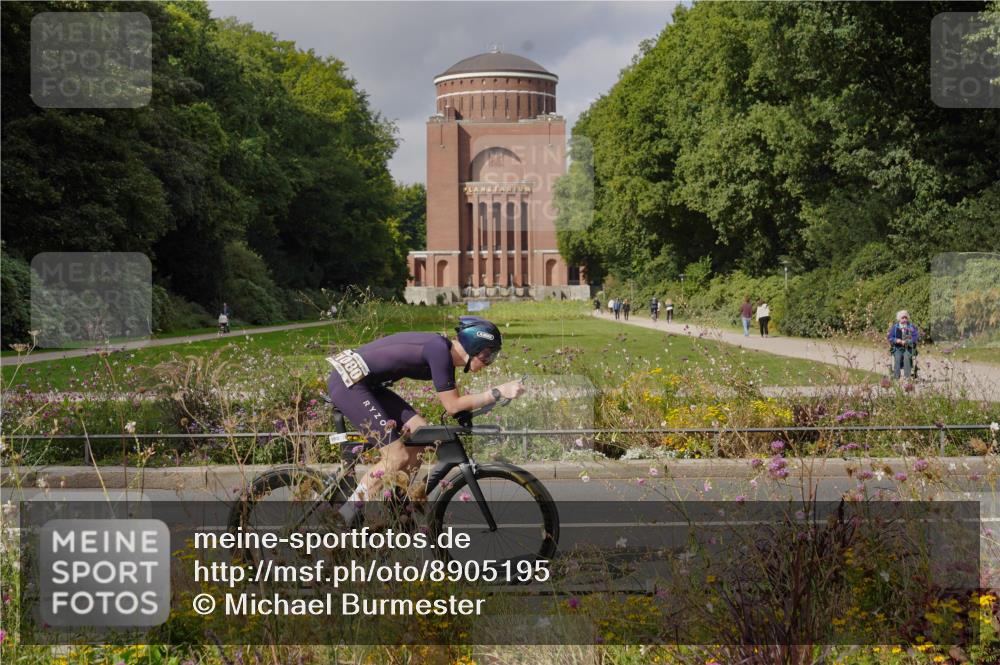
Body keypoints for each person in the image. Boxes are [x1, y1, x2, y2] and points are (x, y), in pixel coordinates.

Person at [327, 316, 525, 524]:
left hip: (368, 384)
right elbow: (453, 405)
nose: (489, 362)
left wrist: (491, 400)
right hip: (349, 383)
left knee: (421, 435)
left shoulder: (442, 353)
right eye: (488, 355)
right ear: (474, 346)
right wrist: (498, 391)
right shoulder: (439, 351)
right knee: (396, 456)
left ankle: (396, 507)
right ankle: (341, 520)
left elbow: (454, 407)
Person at [887, 310, 919, 380]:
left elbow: (916, 337)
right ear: (899, 319)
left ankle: (907, 377)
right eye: (903, 318)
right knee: (898, 357)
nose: (904, 319)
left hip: (909, 347)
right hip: (898, 348)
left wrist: (908, 341)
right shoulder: (895, 327)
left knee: (907, 356)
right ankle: (896, 377)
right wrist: (896, 340)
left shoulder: (911, 326)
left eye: (906, 318)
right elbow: (890, 337)